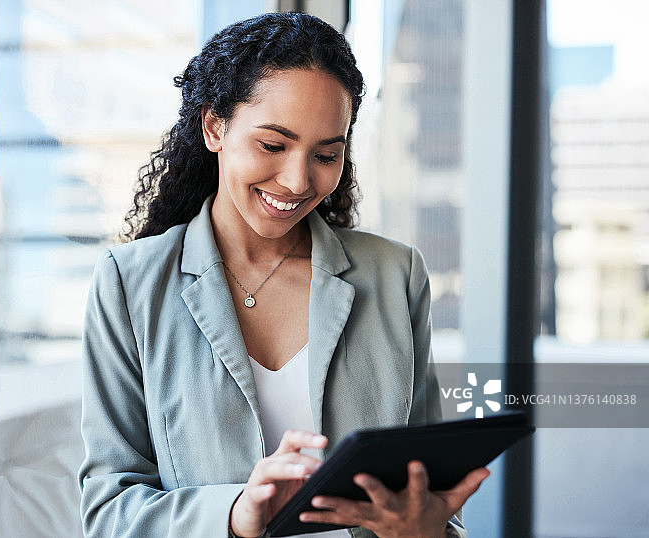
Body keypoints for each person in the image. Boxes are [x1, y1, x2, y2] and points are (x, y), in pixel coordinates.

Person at [78, 11, 489, 538]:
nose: (298, 180)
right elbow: (108, 512)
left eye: (326, 154)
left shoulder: (394, 276)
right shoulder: (129, 284)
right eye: (273, 145)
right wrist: (235, 514)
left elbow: (428, 495)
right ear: (214, 127)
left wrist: (424, 530)